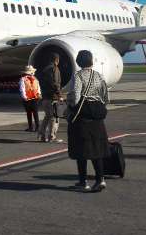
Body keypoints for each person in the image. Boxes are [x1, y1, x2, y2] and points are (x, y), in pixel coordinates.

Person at [67, 50, 109, 192]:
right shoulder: (99, 75)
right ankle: (100, 179)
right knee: (97, 149)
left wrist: (68, 103)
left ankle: (83, 181)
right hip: (97, 116)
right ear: (91, 61)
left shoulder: (78, 76)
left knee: (81, 150)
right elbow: (106, 96)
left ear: (79, 62)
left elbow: (75, 97)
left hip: (83, 116)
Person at [36, 54, 63, 142]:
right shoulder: (54, 69)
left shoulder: (45, 69)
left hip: (45, 97)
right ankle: (51, 136)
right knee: (54, 117)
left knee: (47, 116)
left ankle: (41, 135)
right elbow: (55, 83)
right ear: (57, 60)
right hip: (52, 97)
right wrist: (59, 95)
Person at [19, 65, 41, 132]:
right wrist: (39, 94)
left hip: (28, 98)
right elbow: (38, 88)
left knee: (29, 113)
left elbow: (22, 89)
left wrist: (24, 97)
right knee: (35, 112)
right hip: (35, 97)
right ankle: (37, 127)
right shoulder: (35, 79)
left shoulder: (23, 79)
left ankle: (31, 127)